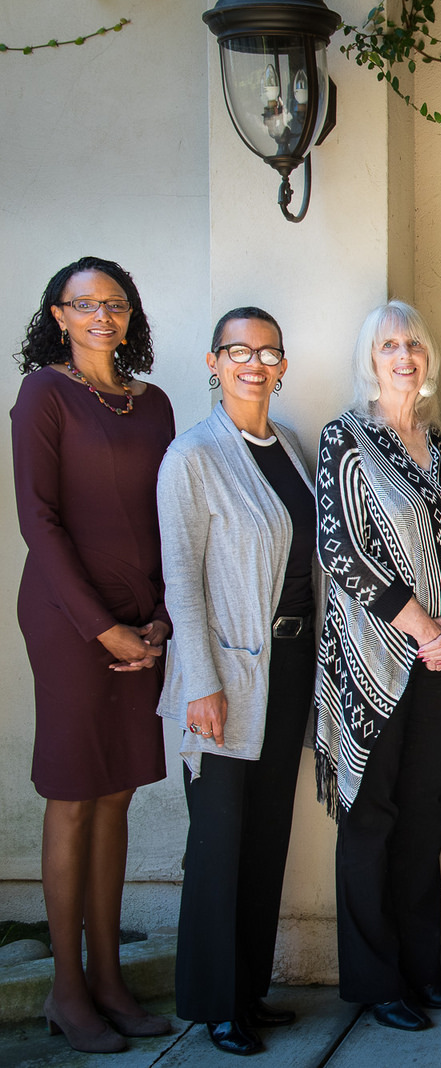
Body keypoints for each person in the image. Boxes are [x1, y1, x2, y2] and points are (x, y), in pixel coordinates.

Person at [12, 257, 174, 1053]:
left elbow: (174, 516)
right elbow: (37, 521)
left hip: (145, 622)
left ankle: (110, 980)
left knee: (118, 796)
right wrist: (101, 626)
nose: (102, 316)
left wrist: (163, 620)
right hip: (69, 621)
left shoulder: (155, 403)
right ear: (59, 314)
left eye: (115, 303)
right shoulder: (45, 394)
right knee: (75, 793)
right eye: (85, 305)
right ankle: (67, 992)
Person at [314, 300, 441, 1032]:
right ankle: (377, 982)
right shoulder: (343, 438)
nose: (404, 354)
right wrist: (423, 627)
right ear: (370, 358)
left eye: (413, 341)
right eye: (389, 345)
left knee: (423, 817)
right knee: (371, 818)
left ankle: (423, 970)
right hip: (374, 662)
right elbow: (341, 550)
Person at [158, 307, 320, 1055]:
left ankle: (250, 991)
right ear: (213, 362)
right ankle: (216, 1004)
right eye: (238, 351)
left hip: (289, 669)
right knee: (220, 840)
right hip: (223, 676)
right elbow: (181, 583)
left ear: (282, 364)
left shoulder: (288, 445)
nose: (254, 363)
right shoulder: (191, 456)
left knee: (265, 837)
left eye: (268, 351)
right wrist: (201, 683)